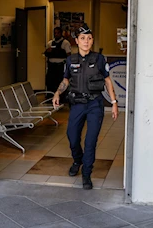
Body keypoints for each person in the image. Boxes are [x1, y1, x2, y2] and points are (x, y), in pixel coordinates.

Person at [52, 24, 118, 190]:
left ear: (92, 40)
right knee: (72, 135)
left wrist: (114, 102)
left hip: (95, 104)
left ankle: (87, 174)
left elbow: (108, 81)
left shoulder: (99, 59)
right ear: (76, 41)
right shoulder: (70, 60)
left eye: (89, 38)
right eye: (82, 38)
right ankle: (77, 160)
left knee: (90, 141)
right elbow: (66, 80)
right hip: (77, 104)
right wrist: (57, 93)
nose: (86, 41)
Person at [44, 27, 71, 97]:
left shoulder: (65, 43)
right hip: (51, 66)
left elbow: (68, 55)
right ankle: (50, 97)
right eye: (55, 33)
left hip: (60, 66)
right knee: (50, 82)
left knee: (59, 82)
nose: (56, 34)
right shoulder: (50, 43)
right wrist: (48, 51)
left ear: (61, 33)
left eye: (58, 33)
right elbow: (45, 54)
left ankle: (61, 97)